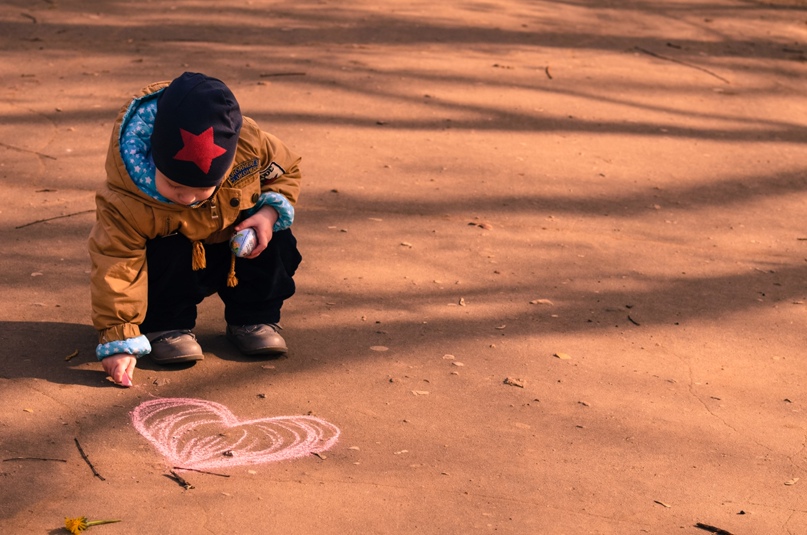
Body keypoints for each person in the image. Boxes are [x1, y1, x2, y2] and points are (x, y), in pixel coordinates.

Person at [88, 72, 302, 387]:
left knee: (276, 236)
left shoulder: (250, 144)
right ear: (154, 156)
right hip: (176, 266)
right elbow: (116, 265)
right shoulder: (127, 199)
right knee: (165, 248)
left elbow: (288, 169)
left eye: (203, 188)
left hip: (230, 245)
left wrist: (269, 214)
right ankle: (167, 325)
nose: (187, 198)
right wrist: (120, 339)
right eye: (174, 186)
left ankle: (254, 316)